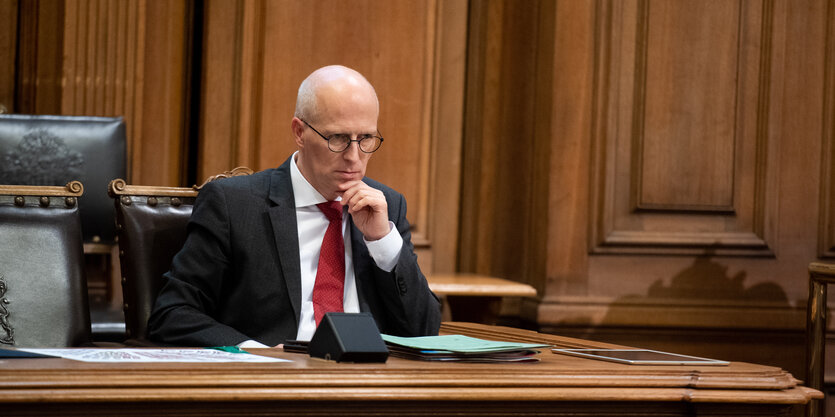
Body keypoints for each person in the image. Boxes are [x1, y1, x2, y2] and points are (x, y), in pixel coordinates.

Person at [147, 65, 442, 347]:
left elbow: (423, 331)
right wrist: (254, 353)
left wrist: (382, 242)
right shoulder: (233, 205)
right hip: (274, 383)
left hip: (367, 385)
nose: (354, 157)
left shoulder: (387, 206)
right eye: (338, 138)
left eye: (366, 138)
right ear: (299, 132)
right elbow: (173, 314)